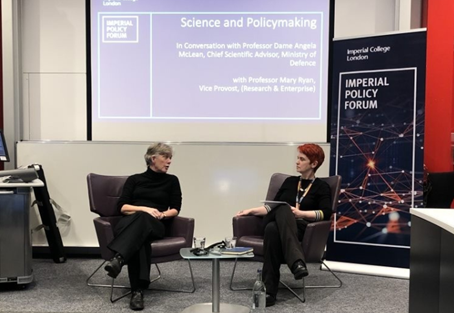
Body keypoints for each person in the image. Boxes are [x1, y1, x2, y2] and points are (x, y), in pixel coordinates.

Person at [236, 143, 332, 307]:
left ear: (314, 164)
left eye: (302, 159)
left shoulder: (322, 187)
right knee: (282, 207)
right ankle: (296, 262)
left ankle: (269, 293)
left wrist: (301, 214)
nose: (297, 162)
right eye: (297, 158)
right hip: (278, 216)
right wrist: (251, 210)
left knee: (272, 230)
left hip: (301, 227)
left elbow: (326, 213)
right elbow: (271, 206)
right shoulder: (289, 181)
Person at [104, 143, 182, 311]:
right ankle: (137, 291)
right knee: (140, 239)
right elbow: (123, 207)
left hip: (157, 224)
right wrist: (144, 209)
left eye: (170, 158)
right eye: (165, 157)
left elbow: (175, 209)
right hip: (131, 222)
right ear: (153, 158)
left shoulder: (172, 180)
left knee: (143, 225)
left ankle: (119, 259)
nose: (169, 161)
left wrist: (162, 214)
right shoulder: (134, 179)